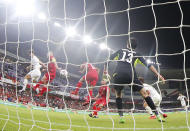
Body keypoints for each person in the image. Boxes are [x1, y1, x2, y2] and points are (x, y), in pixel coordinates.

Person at [104, 38, 165, 123]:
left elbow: (107, 60)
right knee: (145, 94)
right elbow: (148, 65)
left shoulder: (120, 50)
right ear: (135, 47)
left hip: (118, 74)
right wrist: (158, 74)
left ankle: (121, 117)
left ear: (127, 44)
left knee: (118, 95)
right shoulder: (137, 54)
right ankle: (158, 116)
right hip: (130, 75)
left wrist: (105, 72)